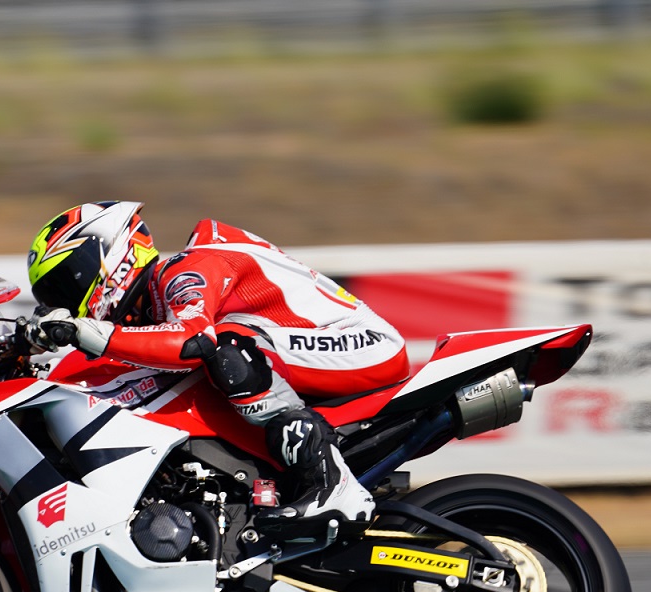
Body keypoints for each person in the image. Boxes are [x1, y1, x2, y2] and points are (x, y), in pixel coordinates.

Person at [24, 201, 410, 532]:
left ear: (111, 259)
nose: (66, 304)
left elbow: (191, 340)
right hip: (306, 351)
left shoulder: (184, 270)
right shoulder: (148, 310)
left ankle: (334, 486)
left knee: (225, 344)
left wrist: (87, 332)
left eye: (68, 285)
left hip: (361, 342)